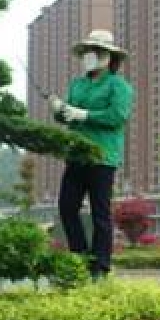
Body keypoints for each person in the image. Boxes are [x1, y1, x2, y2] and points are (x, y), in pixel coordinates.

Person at [49, 30, 135, 279]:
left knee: (100, 213)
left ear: (107, 57)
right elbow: (66, 115)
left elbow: (117, 117)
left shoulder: (119, 86)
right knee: (67, 208)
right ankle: (80, 256)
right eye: (87, 51)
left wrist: (85, 115)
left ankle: (101, 266)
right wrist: (59, 109)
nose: (89, 56)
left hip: (102, 157)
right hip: (76, 156)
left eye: (95, 52)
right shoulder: (77, 84)